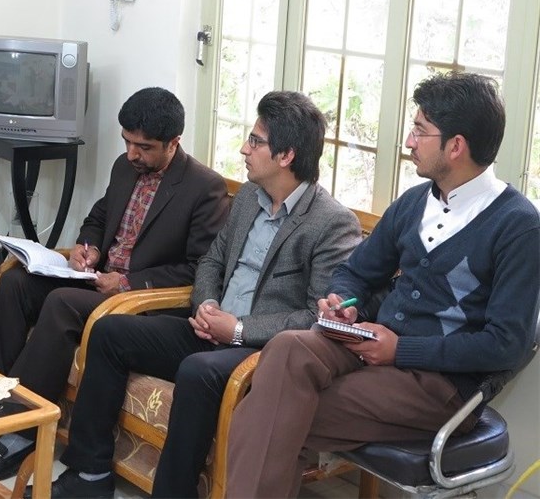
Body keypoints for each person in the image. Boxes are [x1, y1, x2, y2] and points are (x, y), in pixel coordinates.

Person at [30, 90, 363, 498]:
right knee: (110, 332)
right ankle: (89, 475)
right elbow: (210, 261)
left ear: (286, 156)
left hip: (261, 351)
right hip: (208, 327)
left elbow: (316, 317)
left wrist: (237, 329)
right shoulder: (249, 199)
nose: (244, 149)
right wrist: (206, 304)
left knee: (197, 371)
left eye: (255, 141)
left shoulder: (332, 223)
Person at [226, 72, 540, 498]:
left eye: (420, 131)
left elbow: (506, 344)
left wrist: (401, 350)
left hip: (440, 385)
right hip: (369, 349)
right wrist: (343, 301)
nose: (409, 141)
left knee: (272, 411)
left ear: (456, 146)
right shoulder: (413, 202)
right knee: (286, 349)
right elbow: (356, 272)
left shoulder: (518, 225)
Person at [0, 86, 230, 479]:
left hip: (141, 302)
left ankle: (20, 429)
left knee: (61, 303)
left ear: (174, 142)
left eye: (144, 147)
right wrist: (89, 247)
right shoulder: (124, 167)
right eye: (127, 141)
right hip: (96, 280)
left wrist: (128, 283)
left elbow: (199, 268)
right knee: (14, 283)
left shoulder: (204, 188)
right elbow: (99, 217)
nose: (132, 154)